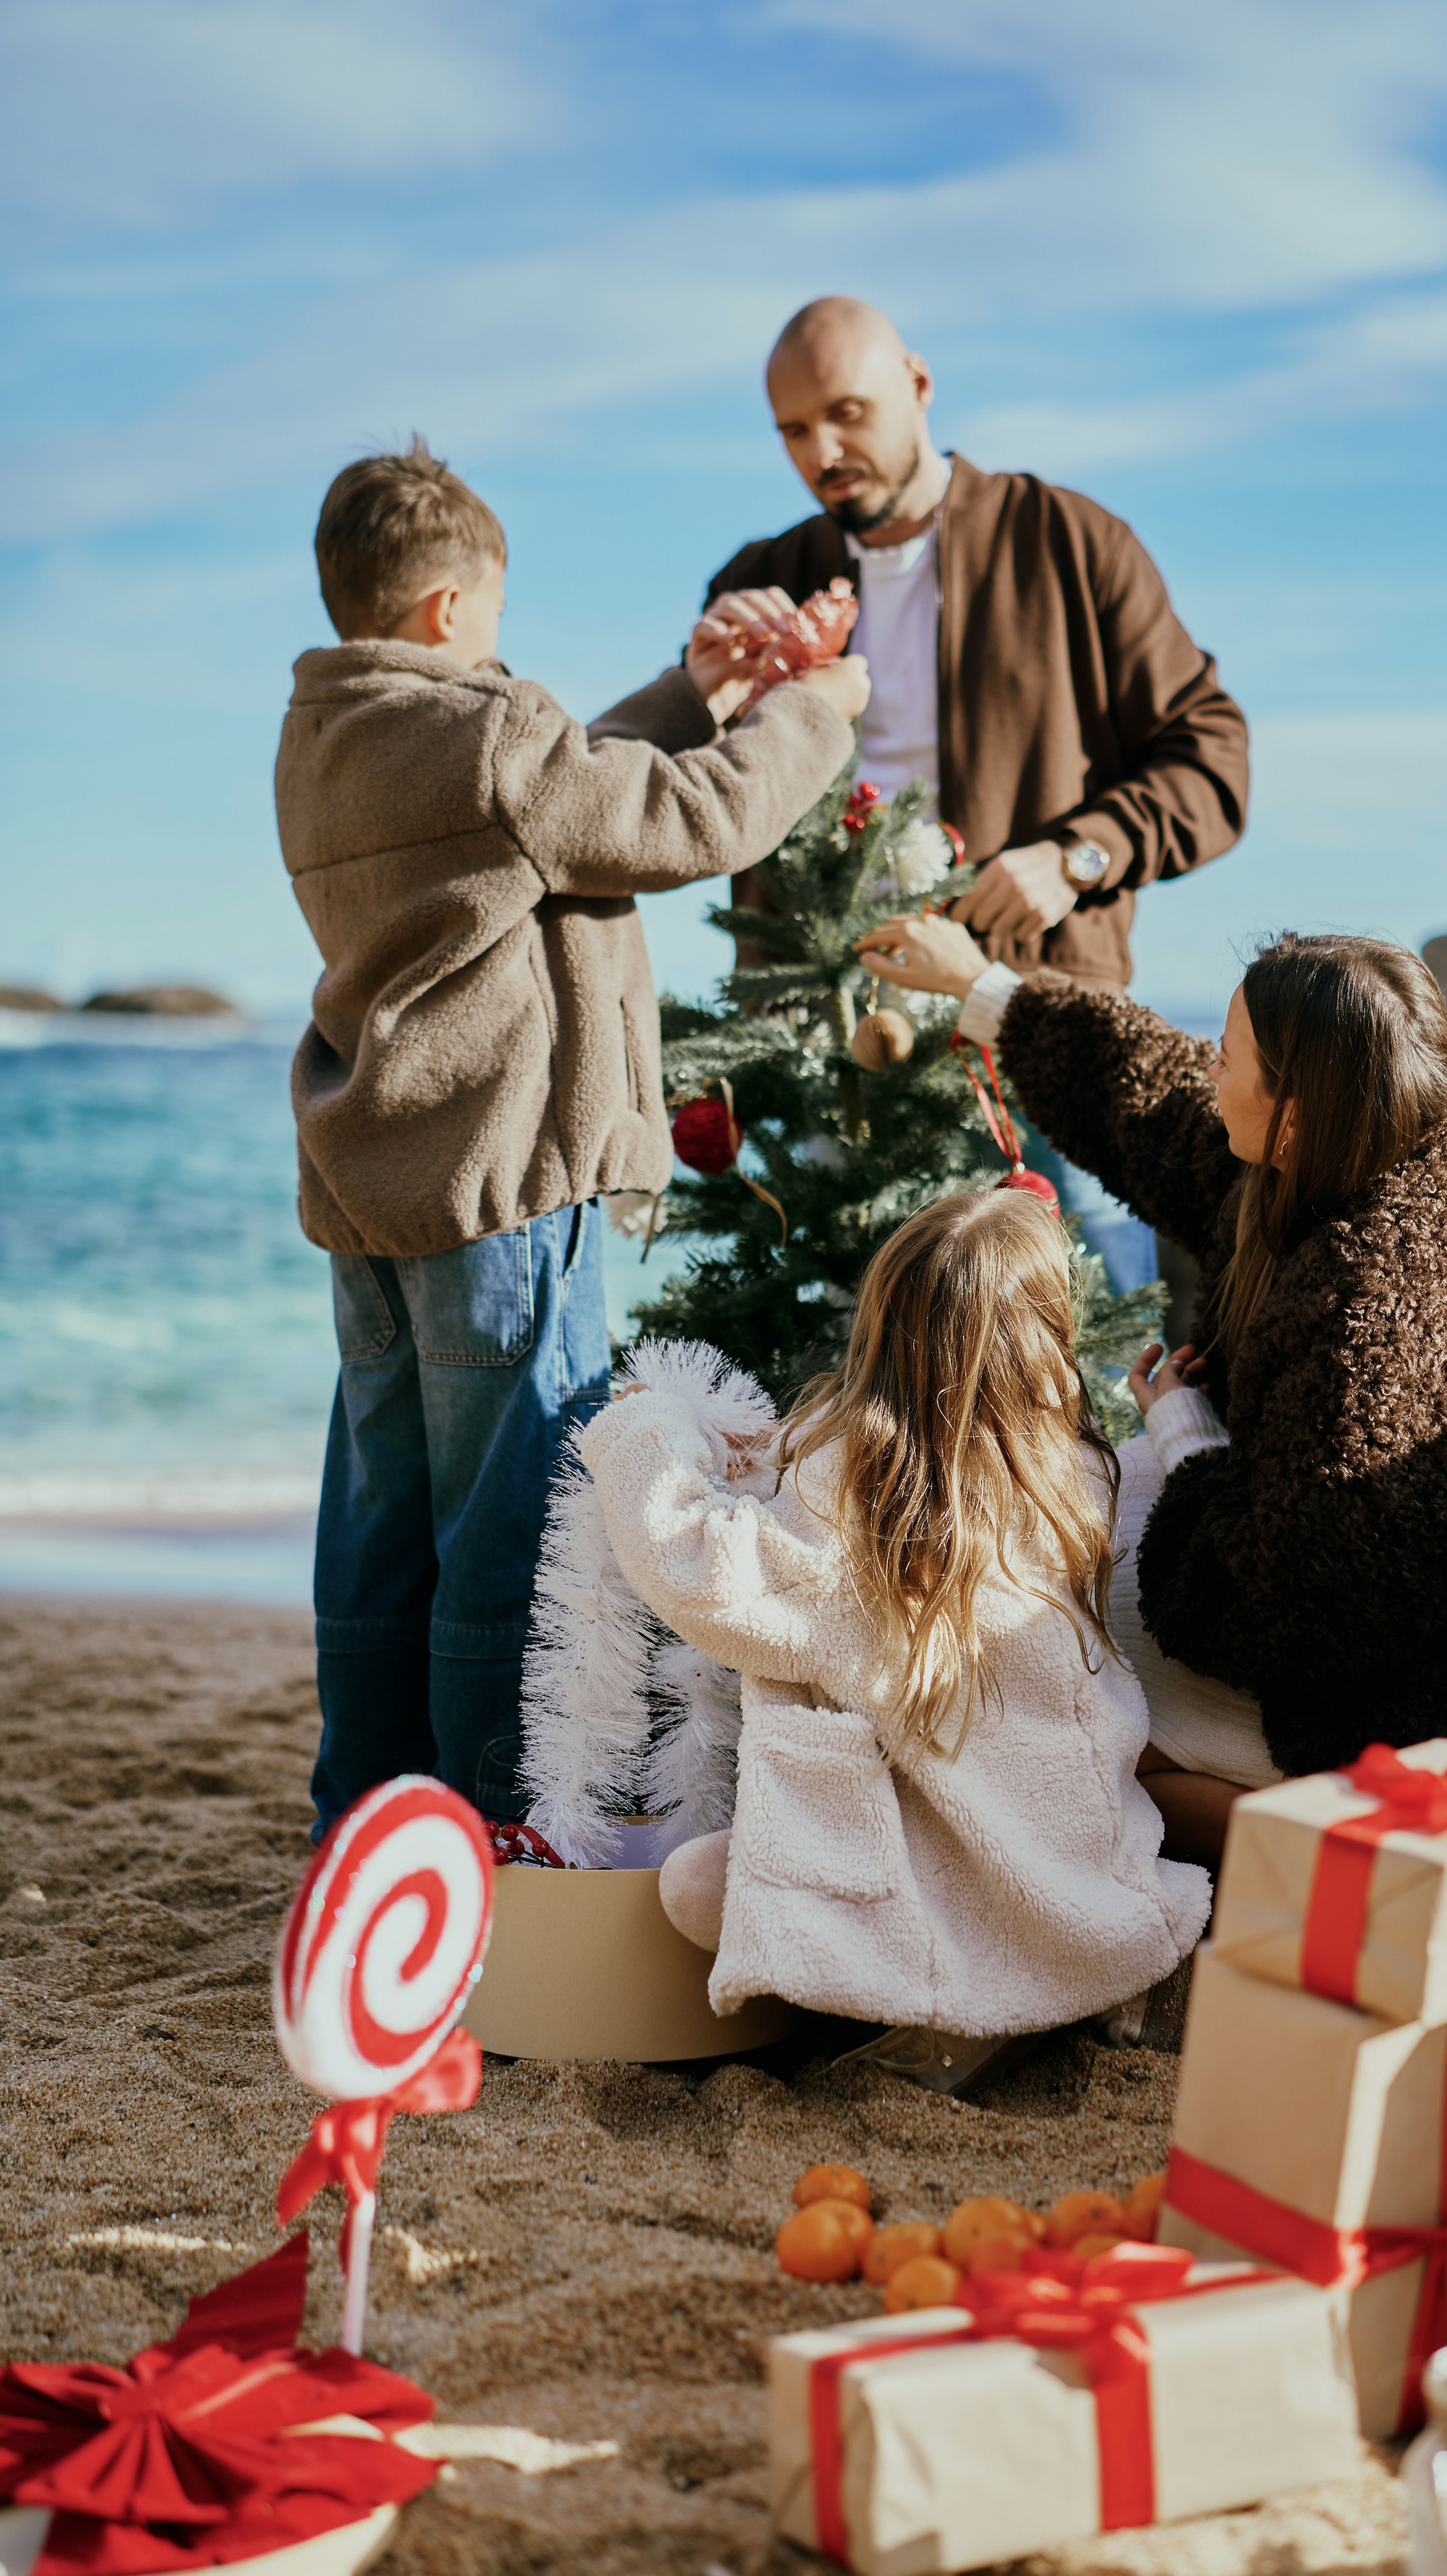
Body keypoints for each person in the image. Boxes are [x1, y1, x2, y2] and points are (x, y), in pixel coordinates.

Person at [275, 438, 867, 1839]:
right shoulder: (485, 734)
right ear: (444, 615)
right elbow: (684, 817)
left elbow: (542, 795)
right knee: (512, 1536)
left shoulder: (327, 734)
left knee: (380, 1525)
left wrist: (695, 686)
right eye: (490, 617)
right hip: (500, 1196)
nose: (496, 645)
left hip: (373, 1192)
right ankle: (495, 1821)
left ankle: (365, 1819)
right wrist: (808, 713)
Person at [857, 914, 1447, 1863]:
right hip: (1423, 1612)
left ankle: (1300, 1881)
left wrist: (1185, 1439)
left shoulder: (1377, 1307)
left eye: (1230, 1054)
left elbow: (1272, 1609)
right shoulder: (1376, 1147)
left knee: (1076, 1711)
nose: (1209, 1066)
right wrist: (984, 992)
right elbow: (1154, 1101)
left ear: (1292, 1112)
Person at [576, 1190, 1211, 2084]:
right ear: (1042, 1351)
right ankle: (1048, 1992)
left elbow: (695, 1563)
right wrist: (1176, 1415)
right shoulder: (1069, 1478)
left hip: (928, 1908)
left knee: (693, 1888)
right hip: (1089, 1887)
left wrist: (649, 1428)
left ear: (878, 1329)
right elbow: (1173, 1491)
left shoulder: (854, 1510)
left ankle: (962, 2004)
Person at [698, 293, 1249, 1292]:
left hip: (1031, 1026)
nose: (822, 450)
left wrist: (1079, 856)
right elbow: (702, 808)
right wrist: (706, 689)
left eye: (848, 413)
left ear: (918, 384)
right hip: (831, 1050)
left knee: (1095, 1351)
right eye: (793, 429)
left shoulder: (1071, 544)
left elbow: (1213, 757)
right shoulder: (763, 579)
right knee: (834, 1369)